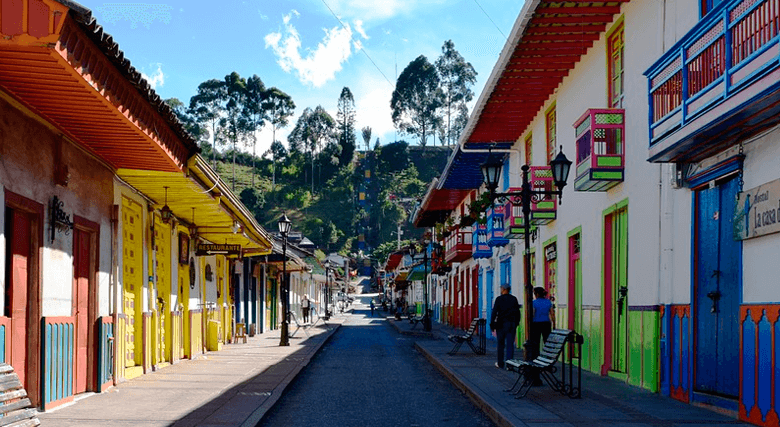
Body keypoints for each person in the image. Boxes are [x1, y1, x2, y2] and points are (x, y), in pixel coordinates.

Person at [490, 283, 520, 369]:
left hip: (501, 325)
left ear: (503, 289)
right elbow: (517, 312)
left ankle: (500, 363)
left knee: (500, 344)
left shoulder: (499, 299)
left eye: (501, 288)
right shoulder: (514, 299)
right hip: (511, 324)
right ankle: (510, 364)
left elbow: (494, 312)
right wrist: (516, 323)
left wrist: (492, 324)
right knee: (510, 344)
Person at [531, 287, 555, 358]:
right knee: (547, 341)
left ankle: (536, 356)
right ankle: (548, 356)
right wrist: (554, 324)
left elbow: (533, 313)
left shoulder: (534, 303)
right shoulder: (548, 302)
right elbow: (552, 314)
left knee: (536, 341)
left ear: (536, 294)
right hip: (546, 323)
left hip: (536, 323)